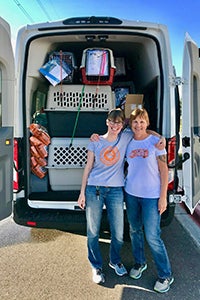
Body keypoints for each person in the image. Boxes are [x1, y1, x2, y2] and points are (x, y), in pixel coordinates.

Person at [77, 108, 165, 284]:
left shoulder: (126, 136)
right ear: (107, 122)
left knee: (118, 234)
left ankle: (114, 261)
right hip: (94, 188)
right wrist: (82, 193)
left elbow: (143, 129)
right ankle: (96, 266)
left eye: (118, 122)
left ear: (122, 124)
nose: (115, 125)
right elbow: (88, 167)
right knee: (93, 231)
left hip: (116, 190)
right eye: (112, 121)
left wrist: (160, 137)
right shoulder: (95, 141)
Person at [124, 108, 174, 293]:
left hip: (152, 196)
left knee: (153, 236)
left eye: (142, 122)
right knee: (135, 230)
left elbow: (164, 172)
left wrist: (163, 198)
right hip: (131, 193)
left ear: (147, 123)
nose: (138, 125)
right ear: (131, 124)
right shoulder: (128, 139)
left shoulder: (156, 143)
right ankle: (139, 263)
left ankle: (165, 275)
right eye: (135, 122)